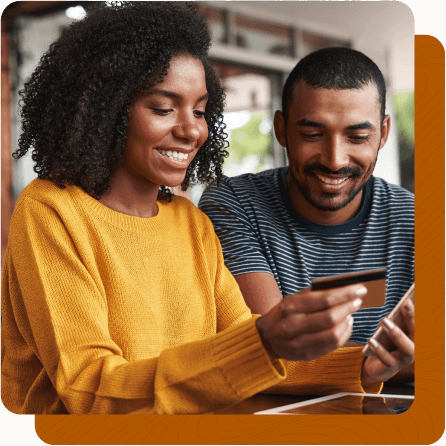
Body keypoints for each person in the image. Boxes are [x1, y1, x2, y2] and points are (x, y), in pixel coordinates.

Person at [1, 3, 413, 415]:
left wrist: (362, 366)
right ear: (105, 110)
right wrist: (264, 342)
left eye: (200, 110)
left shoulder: (191, 223)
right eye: (163, 108)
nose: (192, 129)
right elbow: (89, 389)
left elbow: (249, 351)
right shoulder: (52, 211)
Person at [199, 47, 414, 380]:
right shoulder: (235, 204)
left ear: (384, 134)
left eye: (357, 137)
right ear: (281, 129)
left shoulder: (414, 219)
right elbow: (274, 353)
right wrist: (378, 367)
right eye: (312, 135)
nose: (335, 159)